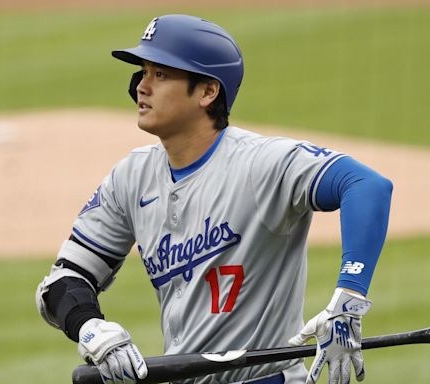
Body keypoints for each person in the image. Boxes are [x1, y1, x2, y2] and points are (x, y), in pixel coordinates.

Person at [35, 14, 393, 384]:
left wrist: (349, 298)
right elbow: (64, 280)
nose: (142, 87)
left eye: (160, 74)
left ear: (208, 92)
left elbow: (366, 185)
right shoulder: (131, 178)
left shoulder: (261, 164)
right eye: (142, 72)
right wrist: (90, 327)